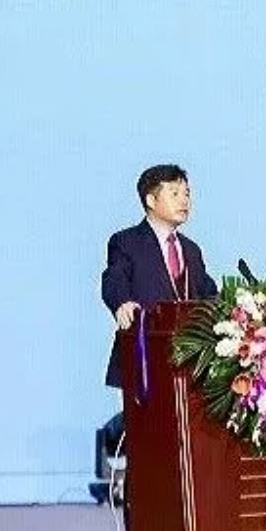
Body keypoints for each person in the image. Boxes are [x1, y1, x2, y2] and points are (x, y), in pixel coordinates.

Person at [100, 164, 219, 389]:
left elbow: (208, 293)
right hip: (145, 359)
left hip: (191, 364)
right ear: (151, 201)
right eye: (174, 194)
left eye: (187, 194)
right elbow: (114, 278)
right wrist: (122, 302)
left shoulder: (191, 250)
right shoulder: (127, 242)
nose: (184, 201)